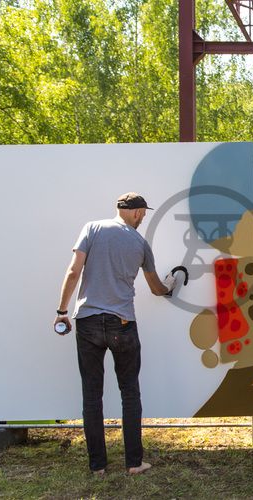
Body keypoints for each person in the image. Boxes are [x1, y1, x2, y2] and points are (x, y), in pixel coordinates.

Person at [54, 192, 178, 475]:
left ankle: (97, 466)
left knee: (91, 395)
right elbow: (156, 288)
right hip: (122, 323)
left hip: (87, 321)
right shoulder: (141, 244)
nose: (143, 218)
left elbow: (73, 271)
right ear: (135, 213)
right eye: (143, 214)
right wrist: (171, 287)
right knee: (130, 392)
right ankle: (134, 463)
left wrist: (62, 311)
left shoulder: (92, 228)